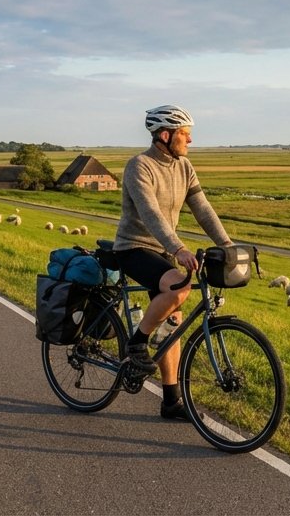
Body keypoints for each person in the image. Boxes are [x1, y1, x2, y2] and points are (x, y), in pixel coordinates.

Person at [113, 104, 233, 419]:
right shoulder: (139, 166)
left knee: (173, 323)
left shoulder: (184, 167)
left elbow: (202, 208)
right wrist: (179, 248)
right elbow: (150, 213)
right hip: (134, 247)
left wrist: (227, 244)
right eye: (185, 134)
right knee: (180, 287)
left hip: (164, 251)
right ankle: (137, 344)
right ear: (165, 135)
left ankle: (171, 402)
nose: (190, 140)